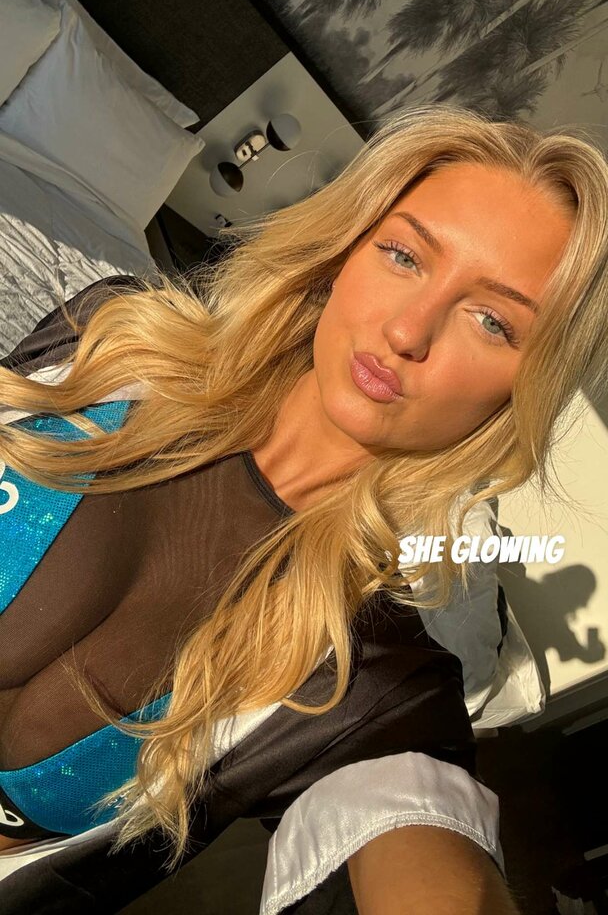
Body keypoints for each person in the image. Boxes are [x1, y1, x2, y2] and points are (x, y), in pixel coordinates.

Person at [0, 102, 607, 914]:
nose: (409, 330)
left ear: (522, 391)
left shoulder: (368, 680)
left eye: (493, 320)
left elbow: (414, 834)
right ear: (342, 253)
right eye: (404, 255)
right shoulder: (107, 337)